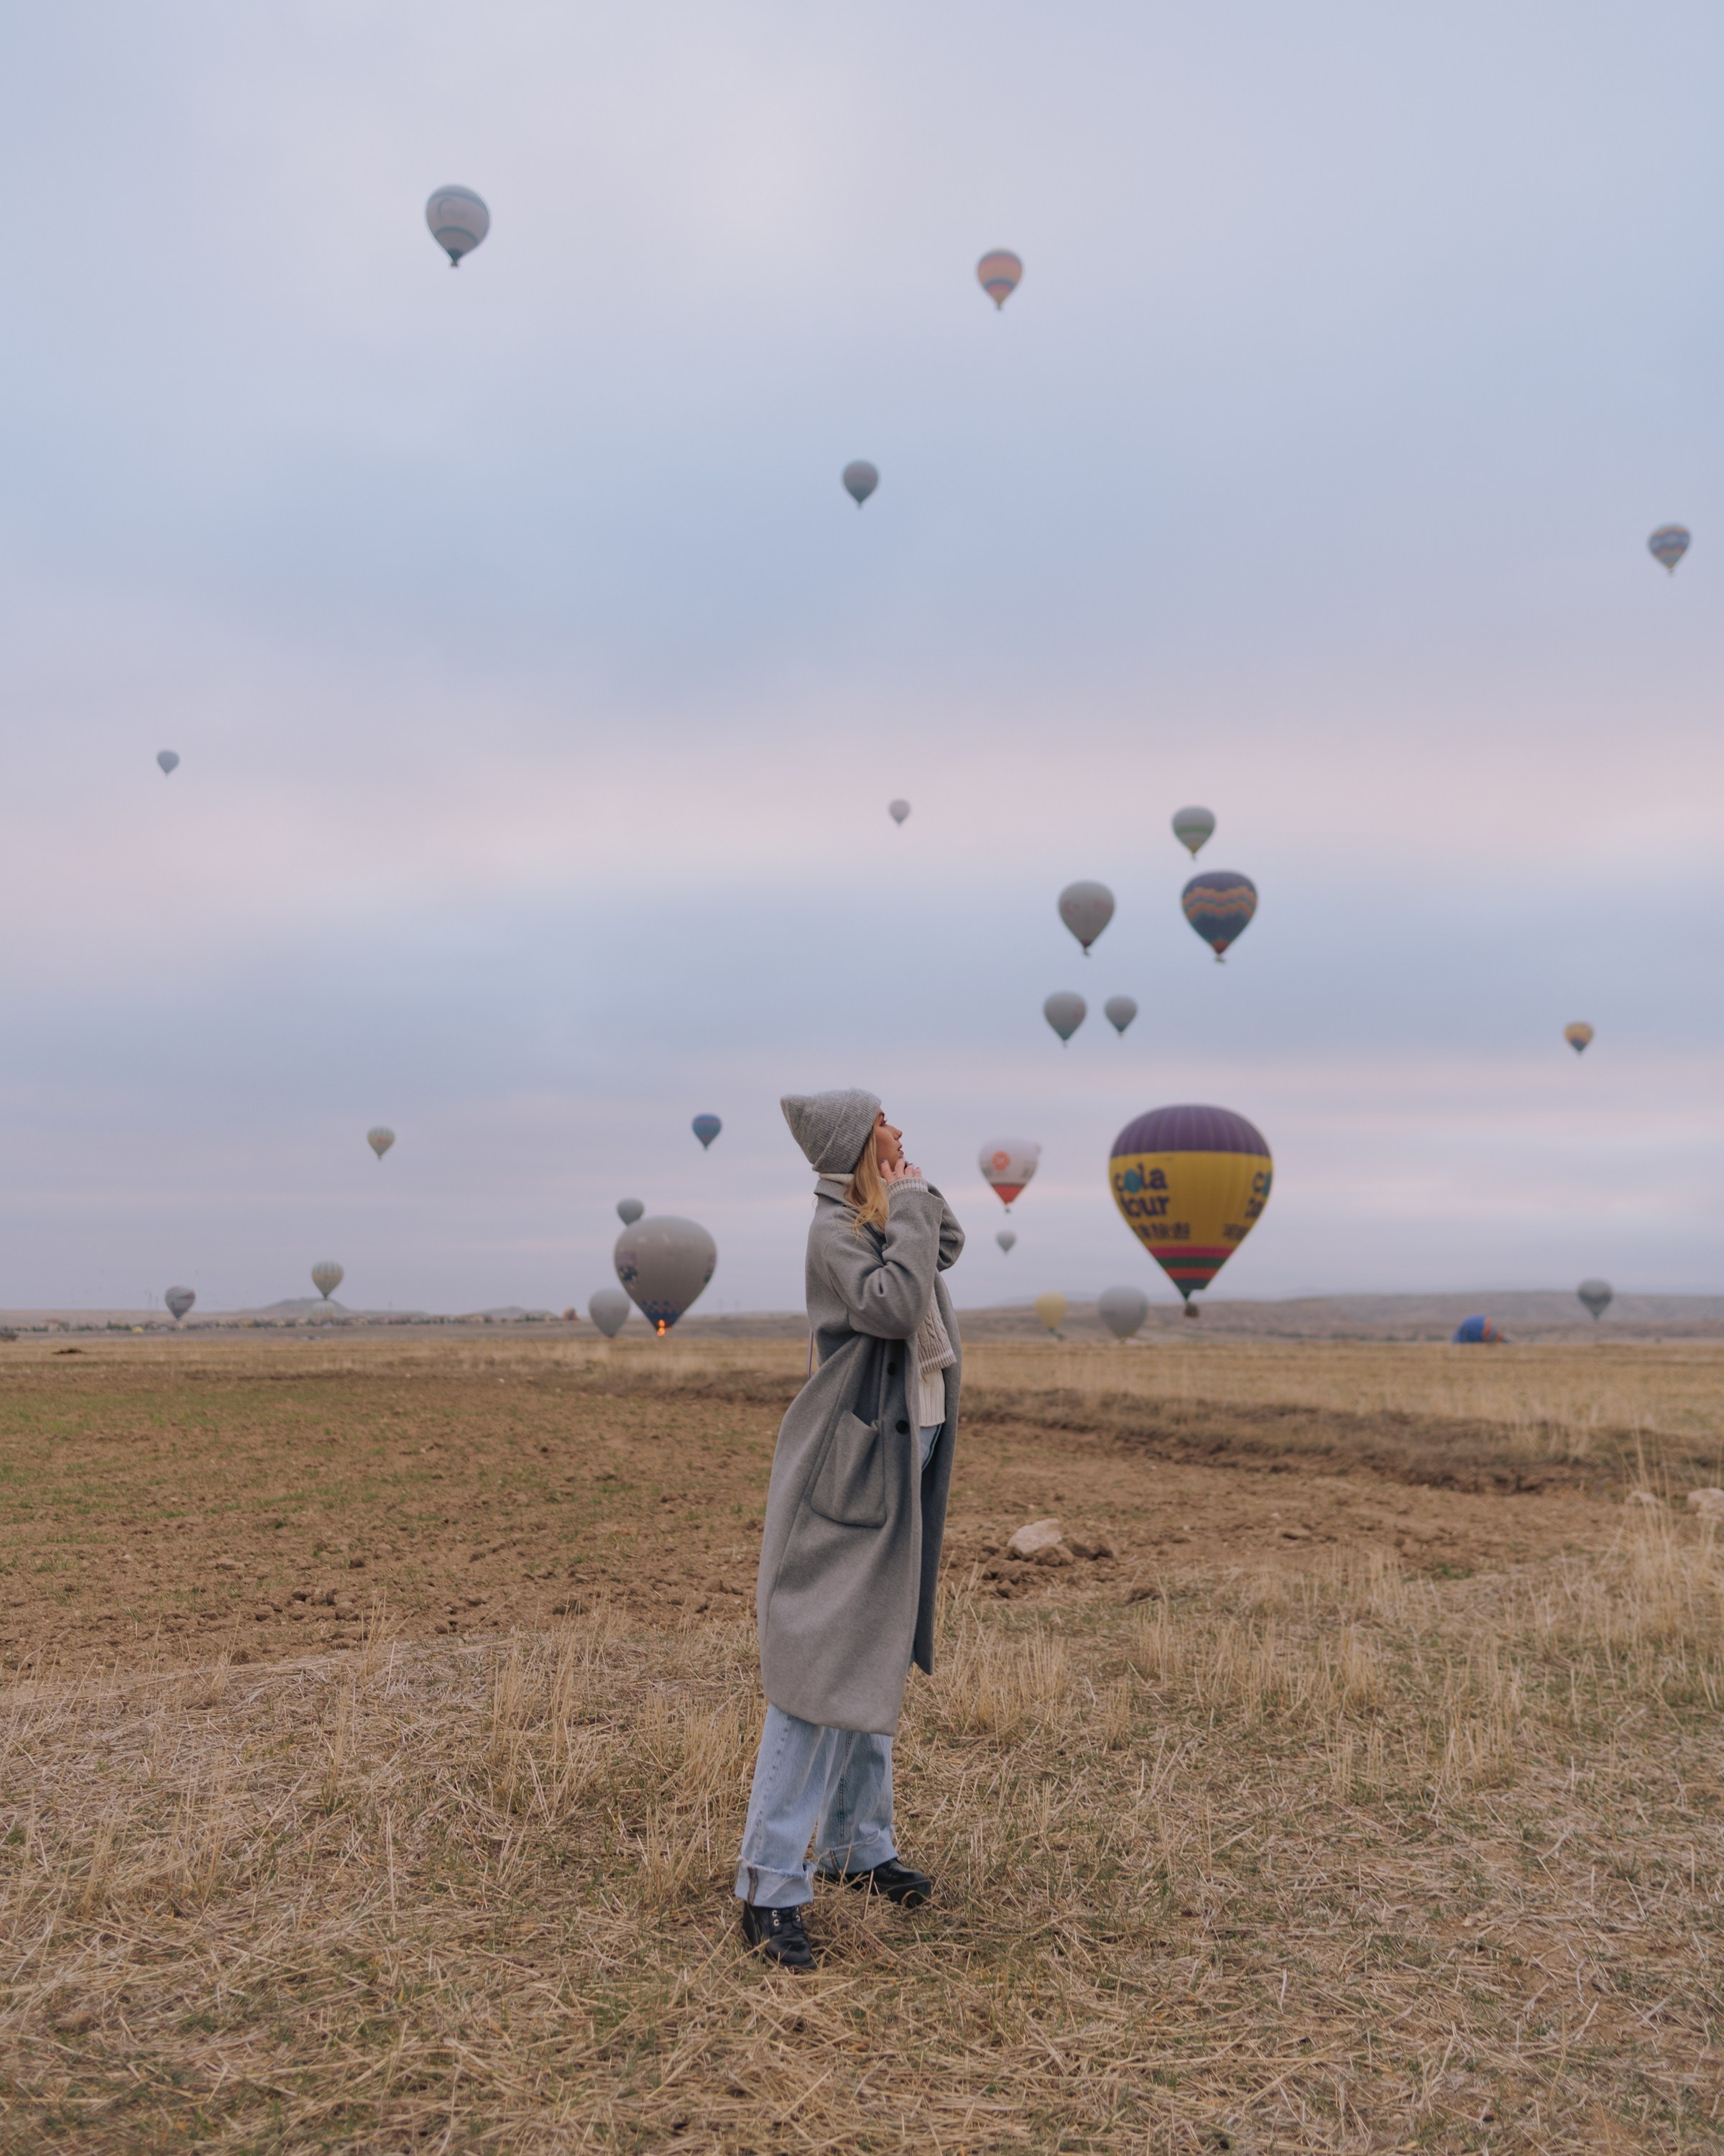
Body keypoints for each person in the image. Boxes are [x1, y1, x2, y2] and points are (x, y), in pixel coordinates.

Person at [734, 1089, 964, 1970]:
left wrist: (908, 1192)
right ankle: (767, 1884)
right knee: (818, 1664)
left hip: (910, 1445)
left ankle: (857, 1849)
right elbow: (899, 1305)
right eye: (884, 1126)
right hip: (856, 1463)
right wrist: (900, 1201)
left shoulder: (876, 1211)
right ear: (853, 1143)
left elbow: (946, 1245)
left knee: (868, 1650)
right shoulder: (834, 1229)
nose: (901, 1132)